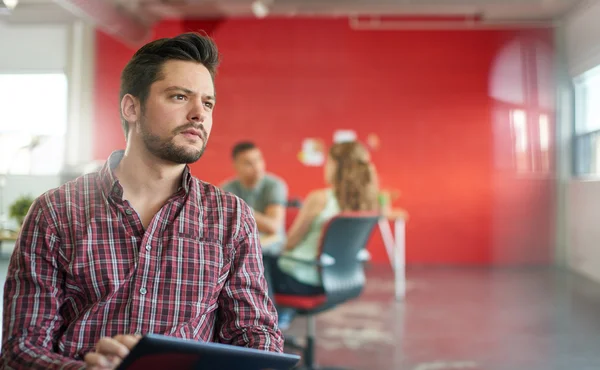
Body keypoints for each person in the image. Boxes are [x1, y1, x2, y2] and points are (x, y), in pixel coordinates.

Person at [1, 32, 283, 370]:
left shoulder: (231, 216)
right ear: (131, 107)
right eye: (180, 96)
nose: (199, 114)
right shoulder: (56, 212)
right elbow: (21, 348)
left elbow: (256, 334)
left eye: (208, 103)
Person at [264, 141, 379, 329]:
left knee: (260, 259)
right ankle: (282, 314)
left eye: (329, 162)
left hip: (302, 280)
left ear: (338, 166)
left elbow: (290, 243)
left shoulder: (320, 198)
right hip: (342, 278)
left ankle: (266, 325)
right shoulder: (368, 203)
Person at [221, 142, 287, 240]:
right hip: (239, 244)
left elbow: (273, 226)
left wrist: (239, 210)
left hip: (270, 246)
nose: (256, 166)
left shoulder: (275, 185)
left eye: (258, 160)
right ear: (236, 166)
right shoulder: (226, 189)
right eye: (248, 163)